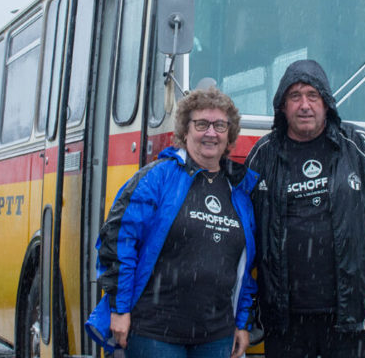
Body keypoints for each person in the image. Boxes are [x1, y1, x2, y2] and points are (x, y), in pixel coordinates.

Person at [245, 59, 365, 358]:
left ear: (327, 103)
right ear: (282, 106)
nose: (304, 105)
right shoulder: (262, 155)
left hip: (350, 319)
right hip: (285, 322)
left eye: (313, 96)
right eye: (295, 96)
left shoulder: (359, 148)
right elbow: (244, 238)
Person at [85, 87, 258, 358]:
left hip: (216, 335)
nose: (211, 133)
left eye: (220, 125)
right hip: (155, 333)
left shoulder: (240, 191)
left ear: (229, 134)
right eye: (201, 124)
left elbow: (244, 270)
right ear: (185, 130)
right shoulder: (156, 179)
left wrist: (242, 323)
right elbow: (119, 242)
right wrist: (119, 310)